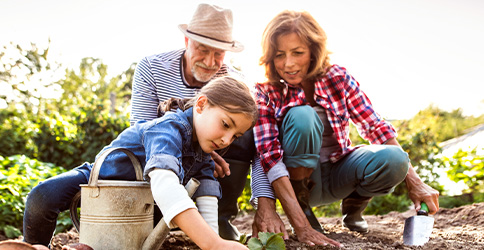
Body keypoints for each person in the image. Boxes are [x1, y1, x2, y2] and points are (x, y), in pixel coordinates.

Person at [249, 10, 440, 247]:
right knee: (302, 116)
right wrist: (302, 227)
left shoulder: (337, 77)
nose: (288, 64)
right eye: (279, 55)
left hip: (340, 171)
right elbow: (268, 157)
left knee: (396, 159)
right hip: (299, 183)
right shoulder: (265, 91)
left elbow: (374, 126)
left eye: (298, 52)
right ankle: (305, 210)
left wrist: (416, 183)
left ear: (313, 51)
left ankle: (353, 206)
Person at [23, 76, 257, 250]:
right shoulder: (168, 129)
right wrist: (213, 244)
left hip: (139, 205)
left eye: (235, 136)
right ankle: (35, 246)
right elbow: (165, 183)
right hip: (101, 179)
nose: (227, 139)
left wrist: (214, 242)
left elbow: (206, 199)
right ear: (201, 104)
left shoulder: (204, 151)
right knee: (43, 196)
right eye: (226, 124)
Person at [130, 3, 253, 240]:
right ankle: (157, 212)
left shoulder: (234, 82)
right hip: (162, 155)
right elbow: (142, 128)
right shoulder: (152, 68)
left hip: (207, 159)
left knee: (240, 124)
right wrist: (200, 153)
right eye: (202, 49)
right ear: (187, 42)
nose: (209, 61)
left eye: (218, 53)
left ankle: (219, 216)